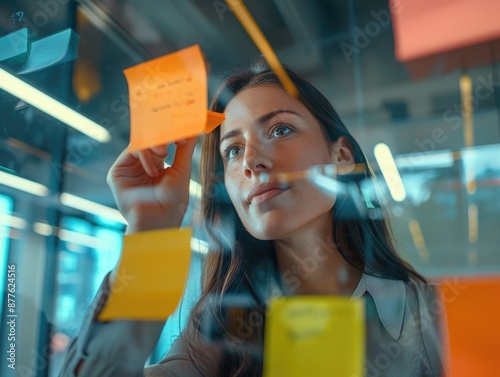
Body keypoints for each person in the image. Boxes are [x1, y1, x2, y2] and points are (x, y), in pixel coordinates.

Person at [59, 59, 447, 377]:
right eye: (232, 150)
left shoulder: (428, 314)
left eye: (280, 129)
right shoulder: (219, 331)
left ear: (341, 156)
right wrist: (150, 230)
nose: (250, 162)